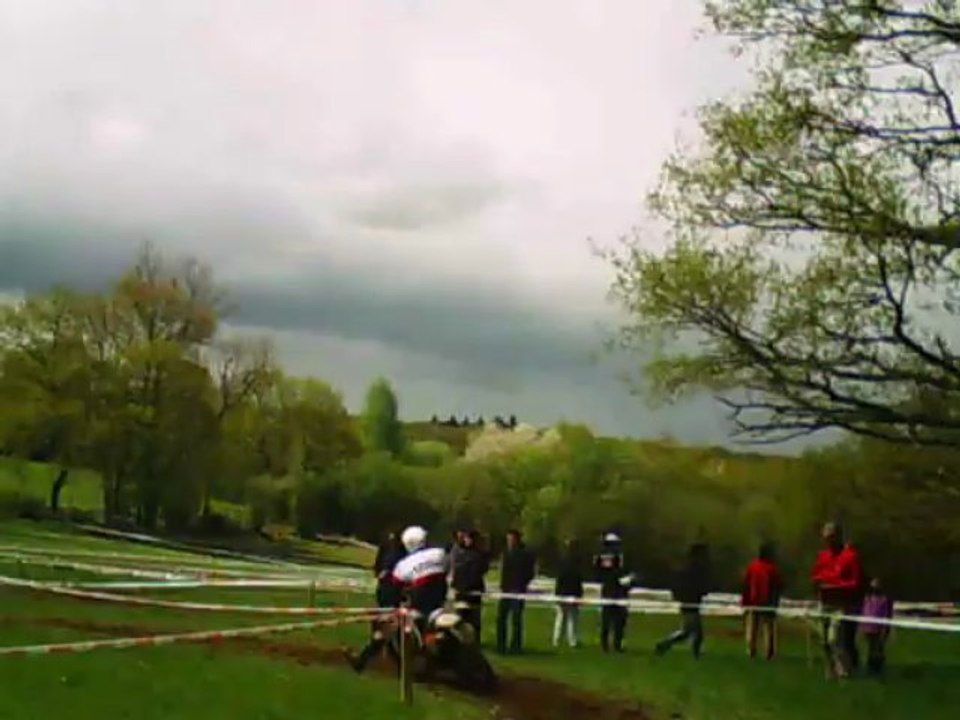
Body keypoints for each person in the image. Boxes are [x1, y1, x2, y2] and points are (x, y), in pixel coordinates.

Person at [345, 530, 407, 673]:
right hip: (386, 594)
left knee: (384, 633)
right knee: (385, 633)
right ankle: (402, 667)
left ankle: (361, 661)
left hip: (392, 596)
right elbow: (378, 567)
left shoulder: (401, 554)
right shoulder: (388, 549)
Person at [811, 522, 863, 679]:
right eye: (826, 538)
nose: (828, 541)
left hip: (841, 604)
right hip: (824, 602)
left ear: (839, 537)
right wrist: (820, 582)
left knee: (835, 638)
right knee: (824, 641)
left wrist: (836, 585)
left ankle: (844, 671)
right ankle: (830, 669)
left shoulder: (850, 556)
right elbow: (815, 575)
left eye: (831, 537)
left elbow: (855, 582)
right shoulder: (823, 556)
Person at [656, 542, 710, 659]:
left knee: (691, 631)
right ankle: (665, 644)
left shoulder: (687, 568)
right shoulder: (695, 570)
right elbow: (698, 586)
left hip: (689, 602)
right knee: (690, 632)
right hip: (691, 602)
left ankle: (667, 645)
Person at [593, 532, 635, 652]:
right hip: (618, 589)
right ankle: (616, 644)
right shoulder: (618, 556)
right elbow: (621, 571)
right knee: (619, 619)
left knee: (607, 618)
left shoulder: (600, 556)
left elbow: (598, 572)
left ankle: (605, 644)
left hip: (607, 589)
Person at [741, 541, 783, 660]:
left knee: (752, 627)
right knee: (768, 628)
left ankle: (751, 650)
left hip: (754, 601)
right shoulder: (772, 568)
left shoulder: (752, 566)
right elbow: (778, 585)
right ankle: (769, 652)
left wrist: (745, 601)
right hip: (768, 601)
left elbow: (746, 584)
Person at [496, 529, 536, 655]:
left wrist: (523, 583)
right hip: (505, 590)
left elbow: (530, 572)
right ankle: (501, 645)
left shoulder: (525, 554)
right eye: (508, 539)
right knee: (501, 618)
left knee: (516, 619)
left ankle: (516, 646)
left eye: (512, 539)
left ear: (517, 539)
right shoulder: (505, 553)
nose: (510, 541)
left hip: (518, 589)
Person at [451, 529, 490, 642]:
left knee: (474, 619)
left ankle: (474, 640)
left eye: (468, 538)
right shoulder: (459, 553)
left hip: (473, 591)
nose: (466, 540)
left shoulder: (479, 555)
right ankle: (460, 640)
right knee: (460, 619)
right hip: (461, 591)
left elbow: (482, 570)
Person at [553, 538, 584, 648]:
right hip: (572, 592)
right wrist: (580, 593)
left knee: (561, 617)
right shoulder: (577, 562)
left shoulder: (562, 561)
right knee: (572, 618)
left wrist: (557, 593)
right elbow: (578, 579)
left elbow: (559, 579)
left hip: (563, 592)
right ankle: (572, 641)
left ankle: (557, 639)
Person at [861, 577, 893, 676]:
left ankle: (878, 667)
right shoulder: (867, 598)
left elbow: (888, 613)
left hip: (880, 628)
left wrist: (886, 627)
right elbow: (864, 611)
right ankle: (871, 667)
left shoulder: (885, 599)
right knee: (871, 647)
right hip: (868, 627)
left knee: (879, 647)